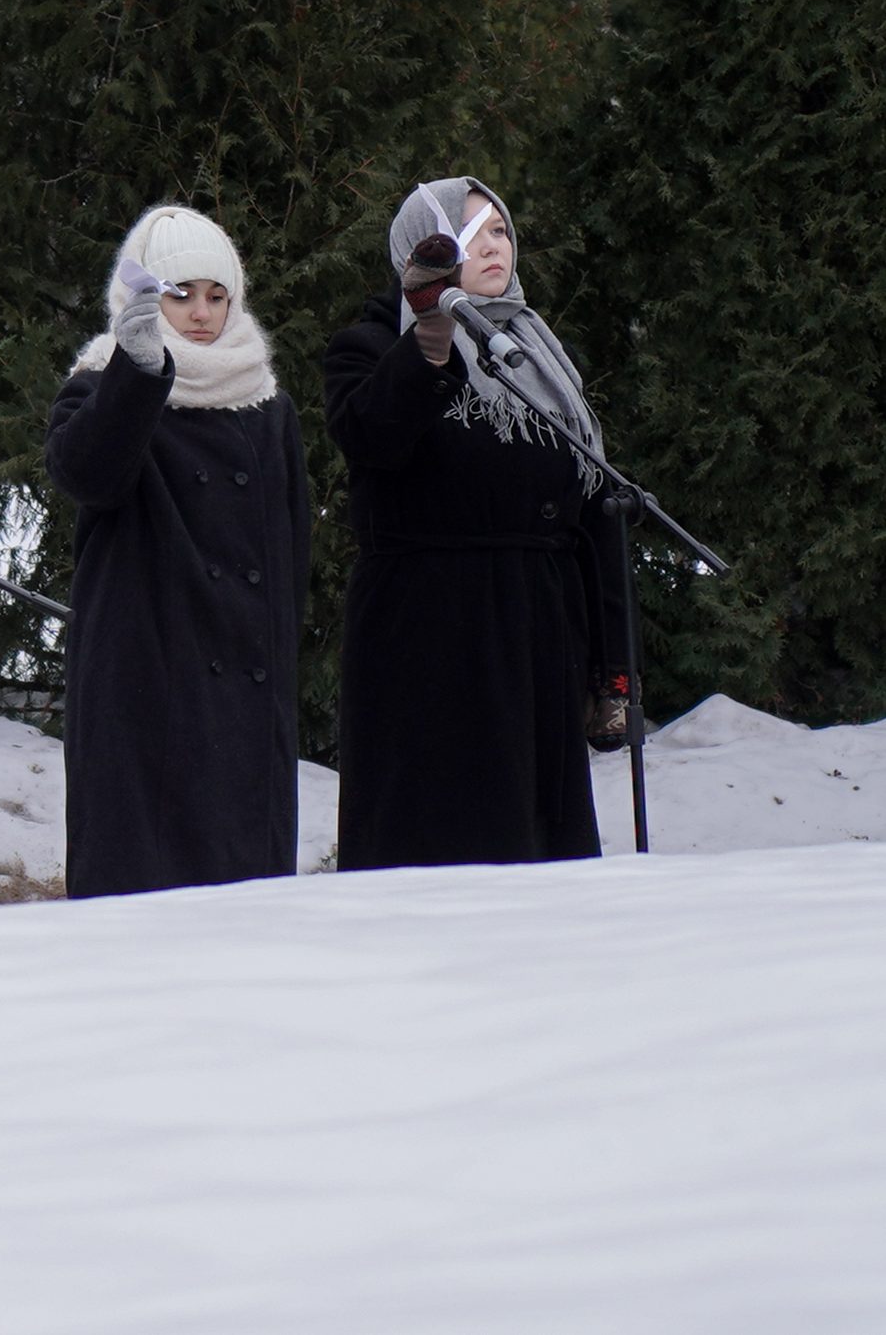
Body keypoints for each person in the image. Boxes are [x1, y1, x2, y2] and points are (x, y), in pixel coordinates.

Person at [324, 177, 630, 870]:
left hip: (539, 636)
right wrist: (431, 343)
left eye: (498, 230)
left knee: (540, 850)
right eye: (465, 236)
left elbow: (590, 505)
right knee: (445, 851)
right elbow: (372, 436)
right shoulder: (370, 345)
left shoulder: (539, 356)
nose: (492, 245)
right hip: (431, 640)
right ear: (420, 254)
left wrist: (612, 667)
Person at [45, 207, 310, 897]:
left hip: (246, 701)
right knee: (144, 907)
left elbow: (288, 553)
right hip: (147, 694)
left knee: (246, 909)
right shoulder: (102, 379)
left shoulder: (265, 399)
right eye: (179, 293)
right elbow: (85, 474)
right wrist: (137, 374)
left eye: (216, 296)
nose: (200, 313)